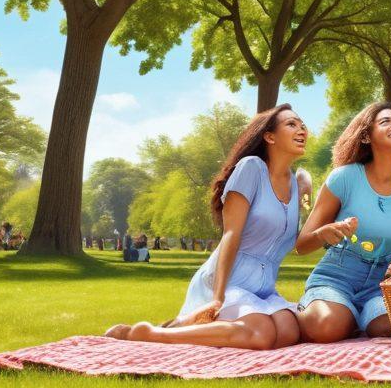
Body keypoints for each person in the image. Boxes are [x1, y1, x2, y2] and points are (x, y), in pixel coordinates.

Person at [105, 104, 312, 350]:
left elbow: (300, 242)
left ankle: (180, 326)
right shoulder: (251, 168)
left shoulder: (299, 183)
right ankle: (151, 334)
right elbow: (231, 234)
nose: (301, 129)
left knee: (288, 332)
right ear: (269, 136)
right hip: (228, 281)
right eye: (291, 124)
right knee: (262, 335)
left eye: (302, 125)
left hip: (264, 290)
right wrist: (218, 297)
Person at [296, 102, 391, 342]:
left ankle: (356, 318)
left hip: (383, 285)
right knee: (327, 326)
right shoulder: (344, 177)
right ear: (367, 136)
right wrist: (323, 234)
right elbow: (302, 245)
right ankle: (325, 312)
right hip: (336, 277)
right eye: (386, 121)